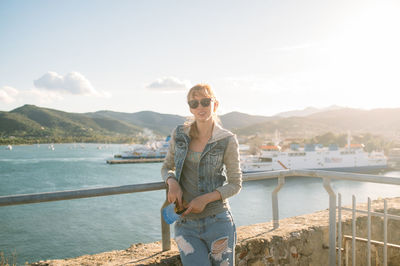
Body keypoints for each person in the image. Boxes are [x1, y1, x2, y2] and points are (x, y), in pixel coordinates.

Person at [161, 83, 242, 266]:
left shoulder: (227, 139)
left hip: (218, 222)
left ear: (215, 104)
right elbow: (166, 167)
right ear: (189, 107)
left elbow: (236, 184)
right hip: (185, 225)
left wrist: (205, 199)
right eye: (194, 103)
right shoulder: (179, 134)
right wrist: (172, 181)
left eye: (205, 102)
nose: (200, 107)